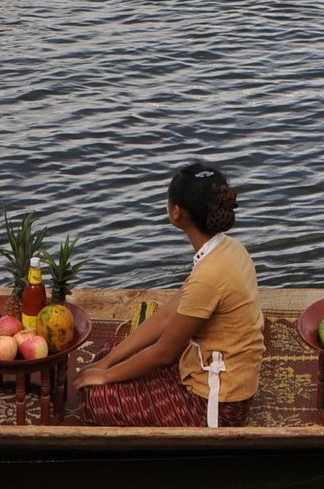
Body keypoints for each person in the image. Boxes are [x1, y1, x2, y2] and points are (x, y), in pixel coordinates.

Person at [76, 162, 264, 426]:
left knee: (98, 397)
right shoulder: (230, 249)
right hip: (225, 370)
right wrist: (107, 362)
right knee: (114, 350)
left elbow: (163, 353)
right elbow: (166, 317)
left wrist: (104, 377)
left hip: (218, 405)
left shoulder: (209, 276)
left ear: (176, 213)